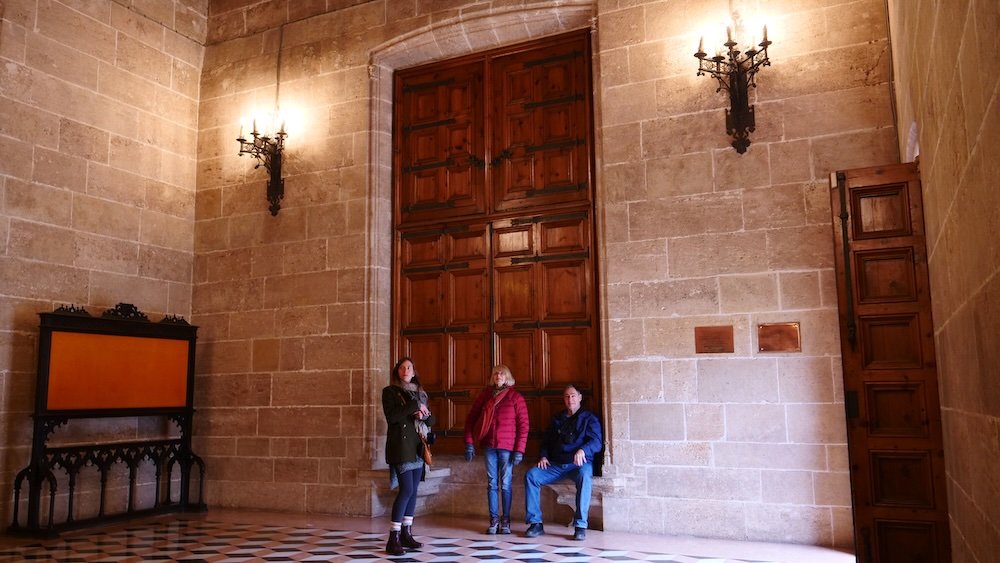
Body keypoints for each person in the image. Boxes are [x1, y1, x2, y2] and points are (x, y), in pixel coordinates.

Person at [523, 383, 602, 541]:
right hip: (556, 465)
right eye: (567, 396)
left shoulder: (589, 418)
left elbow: (597, 442)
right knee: (531, 475)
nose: (570, 399)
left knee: (585, 477)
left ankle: (580, 525)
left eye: (573, 395)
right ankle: (535, 523)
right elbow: (546, 442)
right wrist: (544, 456)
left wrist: (583, 450)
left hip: (578, 464)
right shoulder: (557, 419)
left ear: (580, 397)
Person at [463, 364, 530, 535]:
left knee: (506, 484)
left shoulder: (516, 397)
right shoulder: (485, 396)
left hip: (507, 448)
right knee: (492, 484)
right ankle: (493, 520)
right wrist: (469, 443)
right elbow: (470, 419)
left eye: (502, 373)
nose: (498, 376)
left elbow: (524, 426)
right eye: (495, 373)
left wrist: (519, 450)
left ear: (507, 377)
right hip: (489, 447)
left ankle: (505, 520)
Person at [381, 357, 435, 556]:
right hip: (401, 446)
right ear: (398, 372)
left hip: (417, 446)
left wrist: (425, 415)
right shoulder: (390, 392)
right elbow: (392, 417)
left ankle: (406, 532)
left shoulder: (421, 393)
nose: (406, 370)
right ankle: (392, 537)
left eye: (409, 367)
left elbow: (431, 420)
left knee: (413, 491)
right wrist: (414, 407)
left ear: (414, 372)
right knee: (406, 490)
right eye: (402, 367)